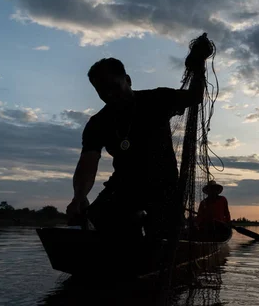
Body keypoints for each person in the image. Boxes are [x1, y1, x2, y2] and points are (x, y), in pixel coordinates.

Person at [66, 33, 213, 239]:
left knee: (165, 236)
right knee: (99, 215)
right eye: (101, 91)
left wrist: (198, 67)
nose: (109, 94)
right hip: (124, 186)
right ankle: (132, 233)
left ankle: (148, 230)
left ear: (128, 80)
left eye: (114, 87)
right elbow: (88, 162)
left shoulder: (158, 99)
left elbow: (195, 96)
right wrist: (79, 196)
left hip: (163, 186)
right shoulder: (98, 123)